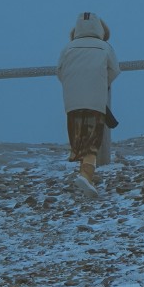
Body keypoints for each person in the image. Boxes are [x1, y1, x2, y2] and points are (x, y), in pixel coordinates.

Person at [56, 11, 119, 188]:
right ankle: (86, 174)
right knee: (92, 138)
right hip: (95, 101)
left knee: (78, 137)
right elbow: (114, 70)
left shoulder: (68, 48)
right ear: (100, 28)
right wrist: (101, 82)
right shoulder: (105, 47)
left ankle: (85, 174)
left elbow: (60, 72)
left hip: (72, 101)